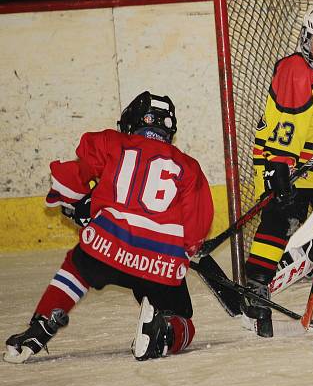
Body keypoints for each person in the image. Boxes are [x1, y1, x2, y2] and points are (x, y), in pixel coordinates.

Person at [4, 92, 214, 363]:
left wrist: (74, 203)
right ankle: (163, 332)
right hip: (159, 260)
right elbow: (197, 223)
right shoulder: (188, 166)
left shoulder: (111, 142)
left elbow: (72, 181)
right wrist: (188, 249)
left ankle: (41, 326)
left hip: (109, 245)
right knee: (184, 321)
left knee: (78, 266)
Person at [242, 0, 313, 337]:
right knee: (281, 216)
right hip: (284, 160)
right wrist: (280, 164)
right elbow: (286, 125)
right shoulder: (295, 68)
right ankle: (256, 283)